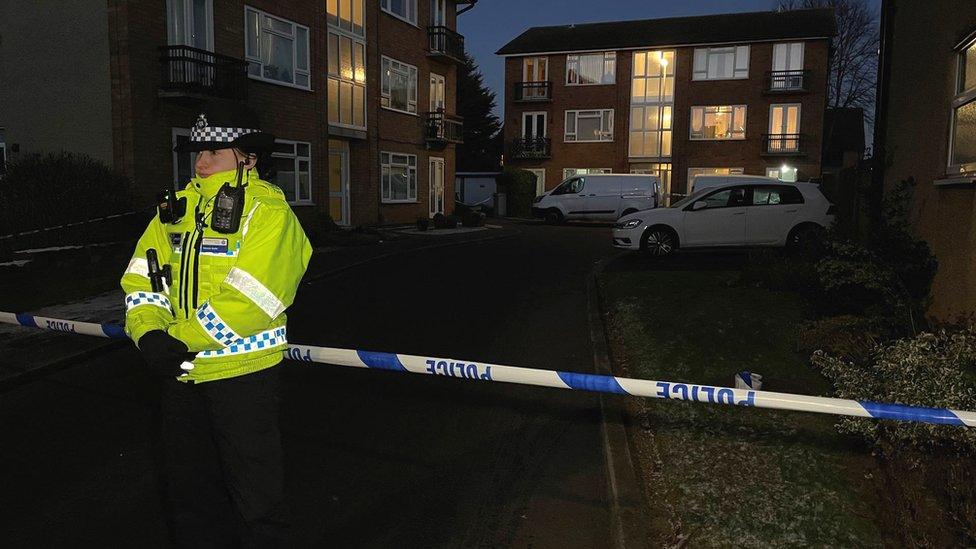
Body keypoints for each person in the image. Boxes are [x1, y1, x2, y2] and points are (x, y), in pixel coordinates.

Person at [120, 99, 311, 547]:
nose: (201, 162)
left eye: (214, 152)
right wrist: (148, 330)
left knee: (257, 502)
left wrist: (176, 340)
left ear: (248, 157)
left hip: (242, 379)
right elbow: (141, 279)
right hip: (181, 376)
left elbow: (251, 300)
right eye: (197, 152)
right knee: (188, 494)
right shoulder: (177, 209)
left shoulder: (268, 214)